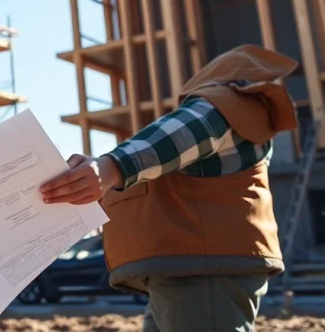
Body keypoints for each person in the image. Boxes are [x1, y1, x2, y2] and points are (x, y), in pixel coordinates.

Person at [39, 44, 299, 332]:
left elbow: (175, 137)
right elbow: (166, 170)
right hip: (193, 266)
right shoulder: (242, 120)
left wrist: (111, 166)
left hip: (201, 270)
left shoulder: (221, 106)